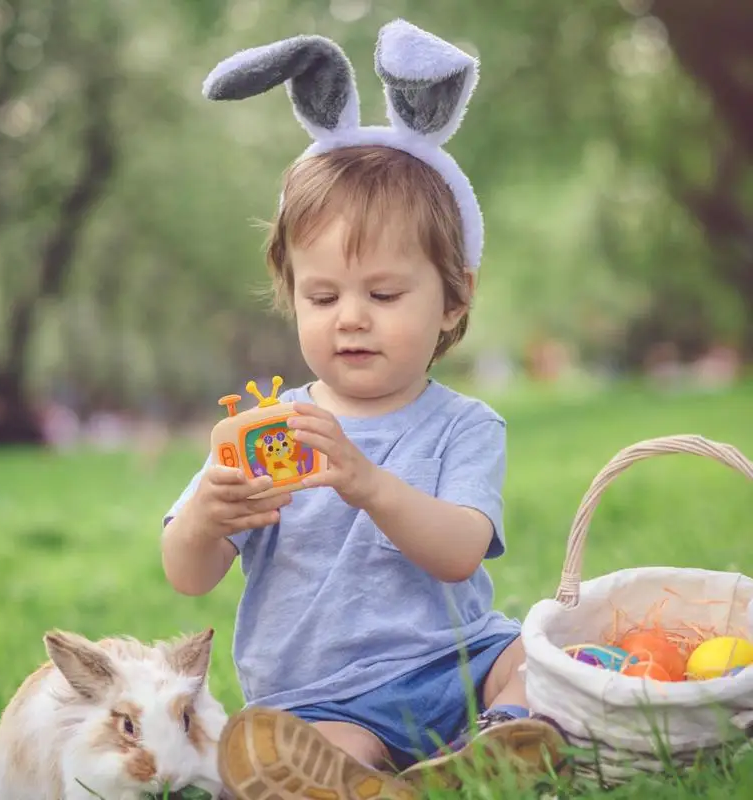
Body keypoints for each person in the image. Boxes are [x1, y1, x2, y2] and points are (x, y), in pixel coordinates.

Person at [161, 18, 568, 800]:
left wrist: (365, 481)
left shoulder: (464, 425)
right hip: (326, 694)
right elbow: (188, 575)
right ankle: (375, 777)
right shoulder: (269, 431)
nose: (351, 316)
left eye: (383, 294)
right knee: (292, 746)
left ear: (454, 299)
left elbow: (458, 551)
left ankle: (500, 736)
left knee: (536, 651)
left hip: (460, 664)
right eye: (322, 295)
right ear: (292, 297)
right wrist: (210, 514)